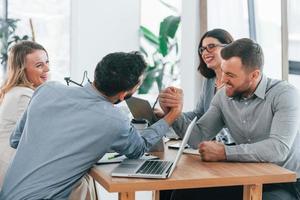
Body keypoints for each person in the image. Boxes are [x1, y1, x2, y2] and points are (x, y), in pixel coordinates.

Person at [0, 52, 182, 200]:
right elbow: (138, 148)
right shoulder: (114, 119)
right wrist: (172, 114)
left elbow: (16, 140)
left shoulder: (46, 90)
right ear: (123, 95)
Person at [160, 38, 300, 200]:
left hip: (289, 182)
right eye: (223, 71)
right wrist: (174, 113)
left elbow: (278, 149)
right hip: (249, 176)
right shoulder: (223, 97)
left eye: (230, 75)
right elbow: (198, 137)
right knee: (182, 195)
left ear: (254, 75)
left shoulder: (284, 94)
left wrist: (225, 152)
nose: (222, 79)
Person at [0, 41, 49, 187]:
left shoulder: (17, 92)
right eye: (39, 65)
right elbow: (42, 138)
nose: (47, 68)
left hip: (17, 167)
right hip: (13, 173)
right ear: (22, 70)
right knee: (79, 182)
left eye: (47, 62)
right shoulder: (24, 96)